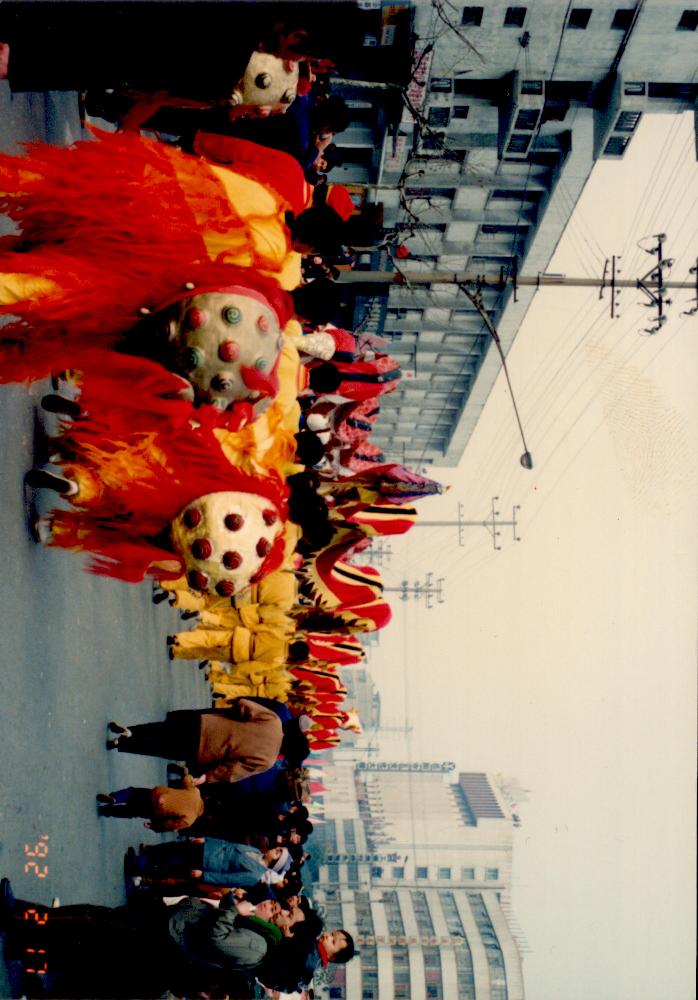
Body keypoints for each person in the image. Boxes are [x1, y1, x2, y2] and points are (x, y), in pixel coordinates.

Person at [105, 698, 309, 783]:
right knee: (159, 747)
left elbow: (243, 704)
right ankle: (121, 744)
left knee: (161, 728)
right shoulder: (267, 761)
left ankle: (129, 731)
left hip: (206, 724)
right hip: (203, 749)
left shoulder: (273, 721)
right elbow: (231, 771)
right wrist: (206, 777)